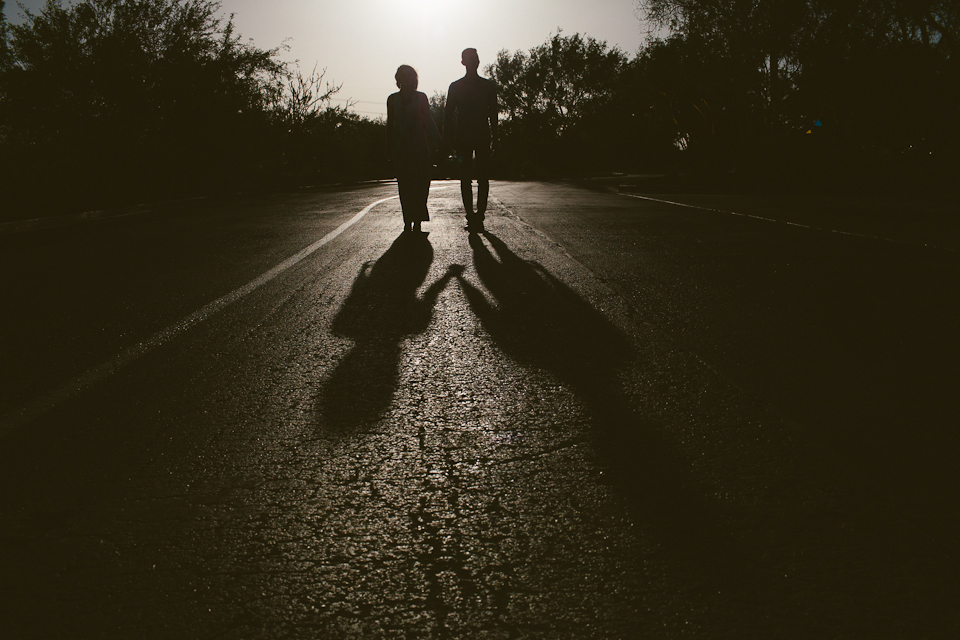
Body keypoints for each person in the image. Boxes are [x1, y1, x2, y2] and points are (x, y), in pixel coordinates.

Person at [443, 48, 498, 231]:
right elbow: (448, 114)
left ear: (478, 62)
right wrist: (447, 139)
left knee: (482, 178)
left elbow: (494, 114)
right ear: (463, 63)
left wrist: (495, 138)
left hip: (482, 136)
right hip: (463, 138)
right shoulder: (455, 87)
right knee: (465, 178)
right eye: (469, 59)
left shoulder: (488, 86)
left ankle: (479, 216)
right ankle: (470, 216)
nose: (473, 61)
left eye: (474, 58)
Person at [386, 65, 440, 233]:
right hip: (401, 148)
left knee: (422, 183)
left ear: (414, 79)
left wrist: (439, 140)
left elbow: (428, 120)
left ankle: (418, 218)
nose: (406, 80)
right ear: (398, 79)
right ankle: (408, 219)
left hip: (419, 147)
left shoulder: (421, 98)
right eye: (402, 77)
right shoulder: (392, 99)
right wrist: (388, 147)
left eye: (409, 77)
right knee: (405, 185)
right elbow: (390, 124)